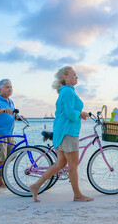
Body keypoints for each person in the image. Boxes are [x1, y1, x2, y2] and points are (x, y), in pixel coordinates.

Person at [29, 66, 94, 202]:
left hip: (64, 131)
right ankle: (77, 195)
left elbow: (67, 112)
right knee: (73, 165)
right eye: (74, 75)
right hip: (67, 132)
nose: (77, 77)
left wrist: (79, 114)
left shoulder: (65, 91)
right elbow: (71, 114)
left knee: (60, 164)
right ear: (65, 76)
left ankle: (36, 186)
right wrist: (81, 114)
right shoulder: (68, 92)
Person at [0, 79, 18, 187]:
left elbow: (10, 115)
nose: (10, 89)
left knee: (13, 155)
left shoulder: (11, 102)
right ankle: (0, 182)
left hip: (9, 134)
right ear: (0, 89)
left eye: (11, 87)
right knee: (1, 158)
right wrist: (3, 109)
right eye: (7, 87)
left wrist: (18, 117)